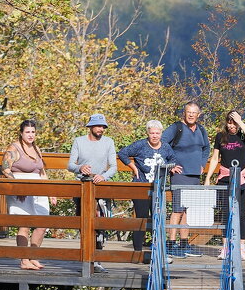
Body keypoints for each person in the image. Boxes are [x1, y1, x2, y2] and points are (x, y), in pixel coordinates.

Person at [118, 120, 182, 253]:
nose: (154, 136)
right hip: (140, 186)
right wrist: (133, 167)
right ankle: (137, 250)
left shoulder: (165, 147)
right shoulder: (140, 145)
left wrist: (171, 167)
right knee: (141, 217)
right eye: (152, 133)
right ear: (148, 133)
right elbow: (122, 153)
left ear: (161, 133)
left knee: (157, 217)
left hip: (158, 187)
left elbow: (173, 159)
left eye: (157, 133)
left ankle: (157, 247)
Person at [2, 118, 57, 270]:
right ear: (21, 133)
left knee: (42, 224)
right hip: (20, 189)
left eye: (33, 132)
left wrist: (50, 192)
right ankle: (24, 260)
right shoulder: (14, 148)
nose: (31, 135)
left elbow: (42, 172)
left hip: (39, 189)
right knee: (24, 225)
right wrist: (17, 187)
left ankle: (34, 256)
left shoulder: (37, 149)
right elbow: (5, 169)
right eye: (27, 132)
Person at [67, 113, 118, 272]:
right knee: (83, 222)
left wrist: (103, 176)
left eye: (103, 126)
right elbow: (70, 165)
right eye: (98, 126)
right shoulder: (79, 141)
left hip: (101, 186)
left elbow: (114, 166)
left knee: (100, 222)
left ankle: (97, 260)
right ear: (90, 127)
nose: (101, 129)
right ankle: (84, 259)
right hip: (82, 185)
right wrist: (80, 168)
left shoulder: (109, 142)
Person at [163, 101, 210, 257]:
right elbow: (162, 145)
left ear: (198, 115)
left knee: (188, 211)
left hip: (194, 176)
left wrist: (202, 164)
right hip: (179, 175)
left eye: (194, 112)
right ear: (184, 113)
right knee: (177, 210)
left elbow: (206, 149)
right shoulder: (175, 128)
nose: (191, 115)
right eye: (188, 112)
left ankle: (184, 244)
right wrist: (171, 165)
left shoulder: (201, 130)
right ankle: (171, 244)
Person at [204, 111, 245, 260]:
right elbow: (215, 158)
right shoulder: (220, 137)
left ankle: (241, 246)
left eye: (234, 122)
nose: (232, 126)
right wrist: (208, 178)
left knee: (241, 211)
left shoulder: (244, 135)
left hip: (241, 177)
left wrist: (241, 123)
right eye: (229, 122)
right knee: (225, 211)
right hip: (224, 176)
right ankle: (225, 246)